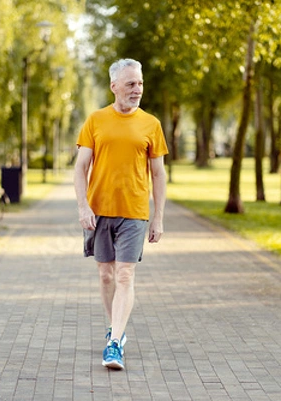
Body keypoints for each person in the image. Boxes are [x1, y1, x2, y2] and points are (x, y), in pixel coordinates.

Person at [73, 58, 168, 370]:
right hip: (99, 211)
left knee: (125, 274)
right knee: (105, 275)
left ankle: (114, 342)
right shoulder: (96, 121)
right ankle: (114, 325)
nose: (137, 89)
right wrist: (83, 206)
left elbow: (158, 174)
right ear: (114, 86)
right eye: (131, 84)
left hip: (135, 212)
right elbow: (80, 167)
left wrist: (158, 217)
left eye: (140, 83)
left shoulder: (151, 125)